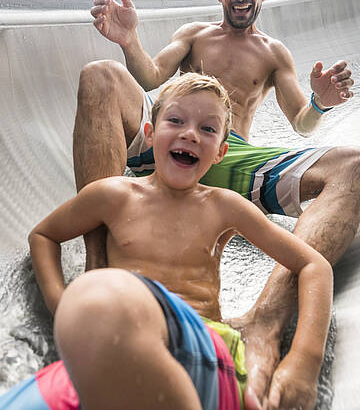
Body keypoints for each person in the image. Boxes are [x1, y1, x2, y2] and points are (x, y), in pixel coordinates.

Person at [74, 0, 359, 403]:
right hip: (167, 142)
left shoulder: (272, 53)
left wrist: (319, 103)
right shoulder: (194, 35)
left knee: (354, 164)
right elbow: (149, 76)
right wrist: (129, 42)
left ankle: (267, 320)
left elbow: (300, 120)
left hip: (231, 154)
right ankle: (98, 268)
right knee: (100, 75)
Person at [1, 73, 332, 410]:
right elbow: (43, 236)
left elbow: (313, 265)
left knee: (97, 295)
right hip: (110, 338)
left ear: (220, 151)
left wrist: (304, 361)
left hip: (198, 348)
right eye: (175, 120)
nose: (190, 133)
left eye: (207, 128)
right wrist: (62, 308)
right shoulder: (113, 195)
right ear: (149, 134)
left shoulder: (223, 206)